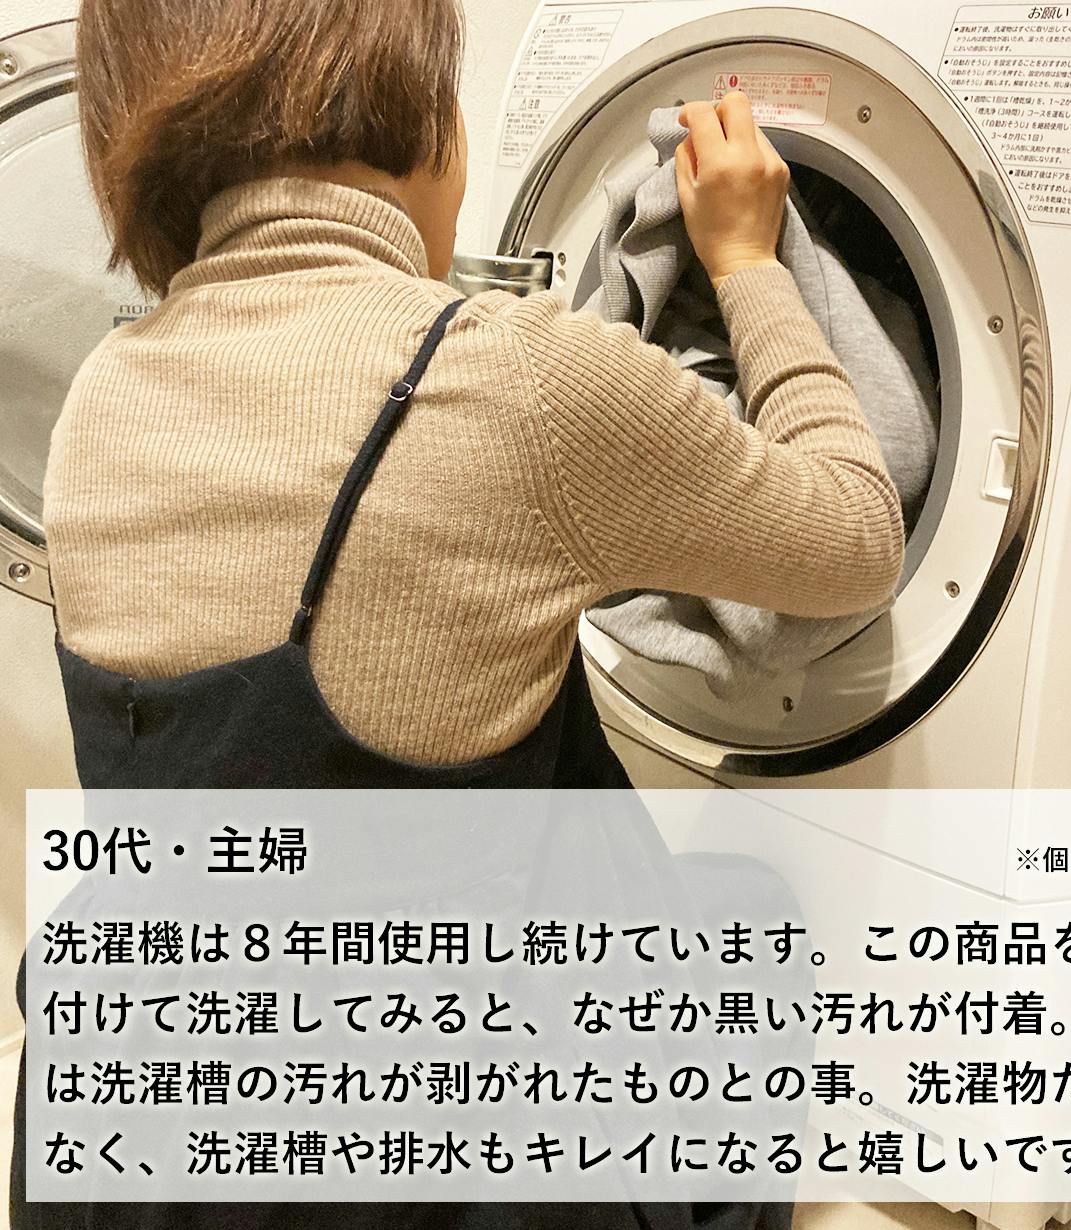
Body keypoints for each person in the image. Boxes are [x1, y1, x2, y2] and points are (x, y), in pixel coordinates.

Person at [15, 0, 902, 1225]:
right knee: (754, 929)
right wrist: (748, 262)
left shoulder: (101, 393)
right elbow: (858, 534)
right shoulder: (519, 376)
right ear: (420, 111)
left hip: (148, 1112)